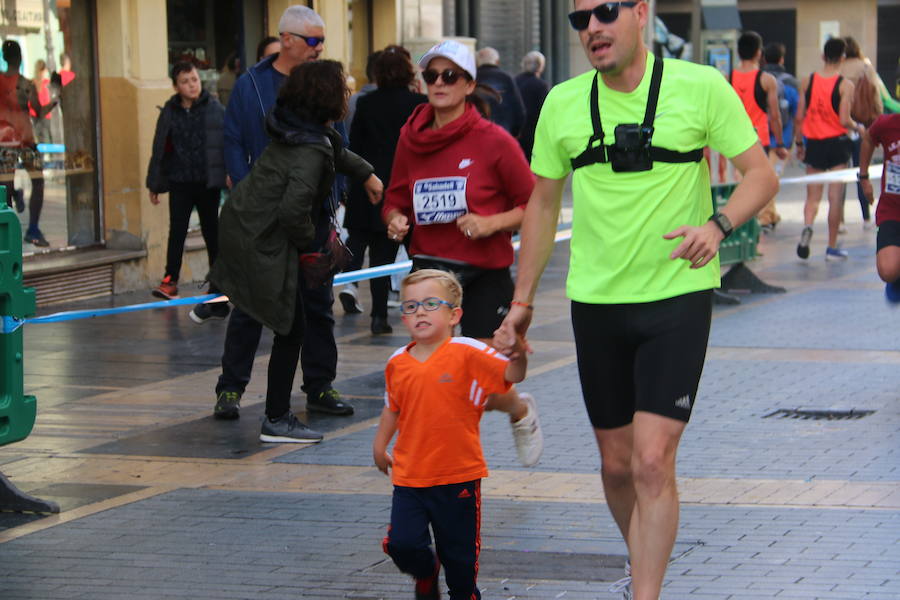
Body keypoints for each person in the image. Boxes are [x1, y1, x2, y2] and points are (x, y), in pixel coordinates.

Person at [492, 2, 777, 598]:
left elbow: (760, 174)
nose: (593, 26)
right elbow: (543, 204)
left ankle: (646, 591)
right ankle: (641, 565)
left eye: (605, 11)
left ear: (641, 12)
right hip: (595, 303)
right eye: (580, 20)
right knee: (617, 467)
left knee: (652, 460)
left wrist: (718, 226)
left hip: (676, 297)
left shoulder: (700, 87)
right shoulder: (563, 103)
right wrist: (522, 301)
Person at [383, 39, 544, 468]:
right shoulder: (410, 137)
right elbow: (395, 197)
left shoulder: (494, 141)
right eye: (431, 76)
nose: (439, 83)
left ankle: (520, 409)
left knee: (487, 385)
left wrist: (490, 223)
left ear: (469, 84)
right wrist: (396, 218)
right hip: (431, 272)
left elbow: (535, 207)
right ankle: (447, 466)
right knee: (438, 378)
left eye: (450, 76)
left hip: (483, 272)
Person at [210, 60, 381, 444]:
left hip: (252, 229)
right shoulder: (309, 149)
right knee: (289, 326)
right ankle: (276, 418)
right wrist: (312, 246)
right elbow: (291, 211)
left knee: (292, 323)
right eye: (343, 87)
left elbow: (336, 150)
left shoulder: (301, 130)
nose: (348, 92)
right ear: (327, 98)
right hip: (263, 239)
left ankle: (278, 413)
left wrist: (366, 174)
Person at [374, 269, 527, 600]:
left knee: (460, 561)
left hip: (458, 478)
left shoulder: (467, 352)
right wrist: (379, 445)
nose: (420, 312)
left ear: (454, 314)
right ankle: (426, 573)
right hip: (409, 478)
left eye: (430, 304)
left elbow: (510, 374)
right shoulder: (396, 363)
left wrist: (518, 355)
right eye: (410, 306)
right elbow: (392, 408)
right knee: (402, 543)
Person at [341, 46, 426, 334]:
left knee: (380, 257)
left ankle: (379, 316)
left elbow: (355, 146)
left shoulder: (366, 103)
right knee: (420, 255)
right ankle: (419, 309)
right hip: (413, 190)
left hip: (374, 188)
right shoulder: (420, 104)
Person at [146, 62, 226, 301]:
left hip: (207, 182)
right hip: (179, 181)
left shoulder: (214, 108)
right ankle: (170, 280)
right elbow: (160, 148)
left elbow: (225, 144)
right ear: (176, 86)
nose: (191, 85)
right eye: (185, 81)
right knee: (177, 231)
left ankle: (219, 280)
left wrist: (229, 175)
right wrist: (155, 184)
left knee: (212, 231)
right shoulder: (170, 111)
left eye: (194, 79)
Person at [795, 37, 864, 261]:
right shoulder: (845, 85)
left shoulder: (808, 81)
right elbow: (844, 119)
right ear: (843, 58)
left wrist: (798, 143)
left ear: (823, 56)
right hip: (837, 145)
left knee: (812, 196)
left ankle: (807, 226)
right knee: (835, 197)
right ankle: (831, 247)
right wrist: (858, 127)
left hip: (813, 142)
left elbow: (799, 116)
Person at [0, 40, 56, 247]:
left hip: (6, 141)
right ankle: (32, 229)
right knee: (37, 181)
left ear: (5, 58)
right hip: (25, 140)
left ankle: (6, 237)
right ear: (20, 57)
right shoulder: (25, 84)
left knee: (4, 187)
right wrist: (55, 101)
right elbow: (40, 113)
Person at [841, 36, 883, 230]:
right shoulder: (864, 66)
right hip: (861, 124)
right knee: (861, 169)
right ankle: (865, 216)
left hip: (839, 125)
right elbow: (875, 93)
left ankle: (839, 218)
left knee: (839, 174)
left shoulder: (837, 68)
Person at [858, 113, 900, 303]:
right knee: (887, 271)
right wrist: (864, 177)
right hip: (892, 209)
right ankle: (896, 278)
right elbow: (868, 138)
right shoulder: (886, 124)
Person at [760, 42, 799, 231]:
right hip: (781, 139)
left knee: (766, 177)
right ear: (782, 59)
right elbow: (797, 113)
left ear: (764, 58)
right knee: (771, 177)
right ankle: (766, 217)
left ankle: (770, 214)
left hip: (758, 138)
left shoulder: (759, 80)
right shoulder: (791, 83)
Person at [730, 32, 786, 160]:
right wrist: (780, 144)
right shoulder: (767, 80)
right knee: (758, 178)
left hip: (733, 140)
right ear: (759, 53)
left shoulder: (728, 78)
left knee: (737, 179)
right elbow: (775, 115)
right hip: (758, 140)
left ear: (738, 52)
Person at [475, 46, 525, 137]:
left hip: (476, 134)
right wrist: (514, 133)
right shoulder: (506, 78)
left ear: (477, 62)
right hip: (503, 133)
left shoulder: (471, 79)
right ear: (497, 61)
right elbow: (519, 110)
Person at [514, 50, 550, 160]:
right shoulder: (541, 85)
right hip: (533, 135)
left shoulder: (514, 81)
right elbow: (545, 113)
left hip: (515, 134)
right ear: (540, 67)